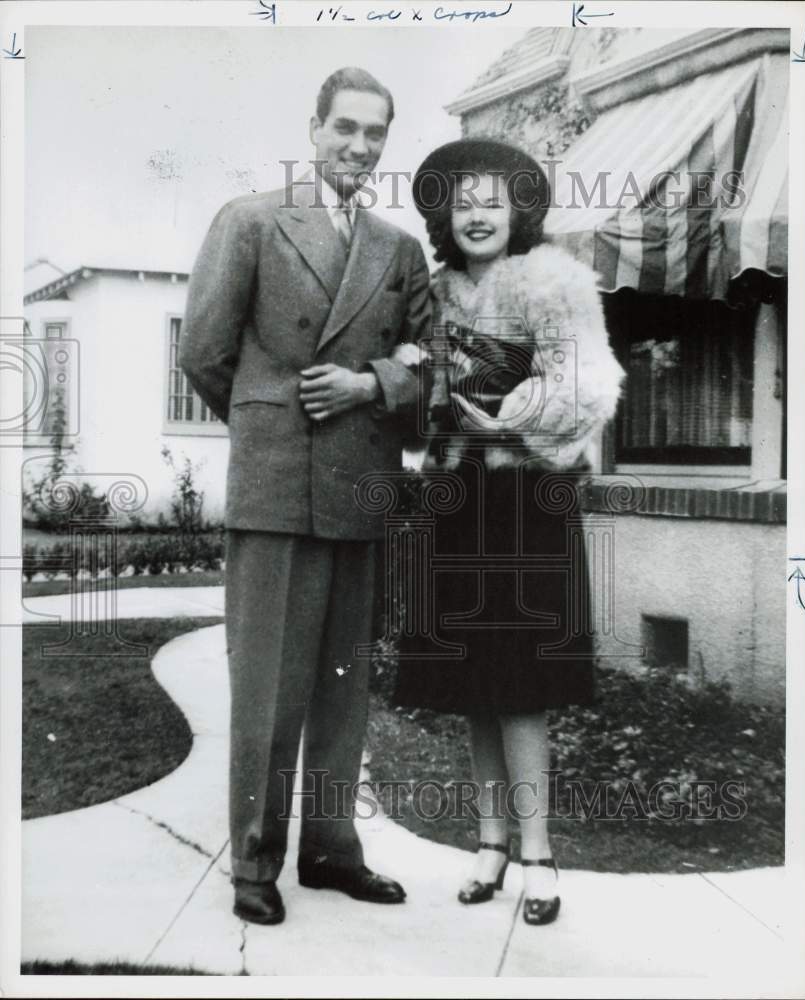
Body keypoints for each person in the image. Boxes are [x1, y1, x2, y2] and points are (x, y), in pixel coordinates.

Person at [180, 67, 431, 925]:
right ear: (315, 127)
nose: (359, 146)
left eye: (375, 134)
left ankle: (331, 853)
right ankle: (254, 861)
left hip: (361, 490)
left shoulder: (399, 249)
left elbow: (435, 359)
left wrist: (367, 387)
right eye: (345, 129)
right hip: (278, 490)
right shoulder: (250, 221)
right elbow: (205, 356)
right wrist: (274, 424)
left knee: (341, 686)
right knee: (269, 689)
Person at [396, 138, 624, 925]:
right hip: (456, 502)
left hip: (527, 499)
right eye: (463, 202)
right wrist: (424, 385)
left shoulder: (552, 279)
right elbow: (417, 395)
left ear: (520, 208)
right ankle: (489, 842)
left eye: (493, 200)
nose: (478, 214)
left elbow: (589, 388)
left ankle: (538, 852)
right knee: (472, 686)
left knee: (521, 683)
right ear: (443, 216)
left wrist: (506, 407)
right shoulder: (434, 293)